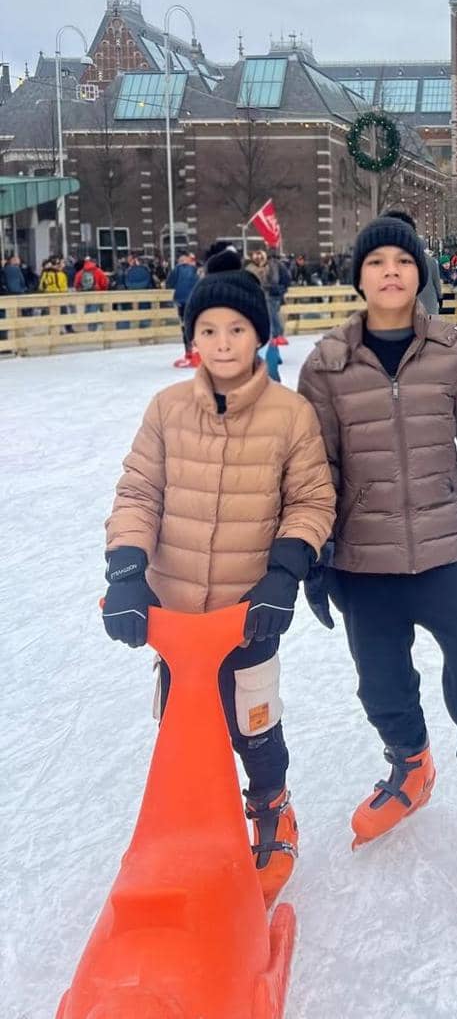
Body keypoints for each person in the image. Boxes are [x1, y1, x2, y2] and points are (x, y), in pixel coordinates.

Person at [297, 215, 457, 910]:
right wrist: (315, 553)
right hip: (364, 557)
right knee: (380, 683)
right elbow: (315, 467)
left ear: (421, 275)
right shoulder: (327, 364)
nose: (390, 272)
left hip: (444, 549)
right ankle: (410, 765)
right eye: (376, 261)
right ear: (358, 277)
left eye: (403, 262)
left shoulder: (453, 349)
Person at [101, 249, 335, 907]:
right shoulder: (167, 409)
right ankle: (191, 824)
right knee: (183, 732)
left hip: (248, 611)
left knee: (254, 725)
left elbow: (311, 501)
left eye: (236, 329)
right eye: (208, 330)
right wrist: (127, 571)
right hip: (177, 619)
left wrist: (284, 574)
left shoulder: (290, 415)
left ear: (260, 335)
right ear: (192, 339)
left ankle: (271, 806)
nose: (223, 342)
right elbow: (138, 493)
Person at [167, 252, 200, 367]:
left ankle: (189, 353)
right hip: (194, 301)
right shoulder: (195, 270)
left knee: (185, 326)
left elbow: (169, 284)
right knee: (194, 325)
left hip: (181, 301)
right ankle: (197, 354)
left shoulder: (176, 270)